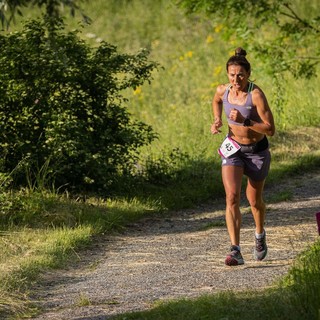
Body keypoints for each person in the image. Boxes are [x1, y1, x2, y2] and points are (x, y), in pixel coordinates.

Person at [211, 47, 275, 266]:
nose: (236, 79)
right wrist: (217, 119)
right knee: (231, 197)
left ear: (248, 74)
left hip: (257, 152)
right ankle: (235, 250)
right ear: (227, 75)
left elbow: (270, 129)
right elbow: (216, 100)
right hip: (234, 148)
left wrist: (246, 121)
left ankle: (259, 235)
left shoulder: (255, 95)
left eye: (240, 75)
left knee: (254, 202)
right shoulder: (224, 90)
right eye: (231, 75)